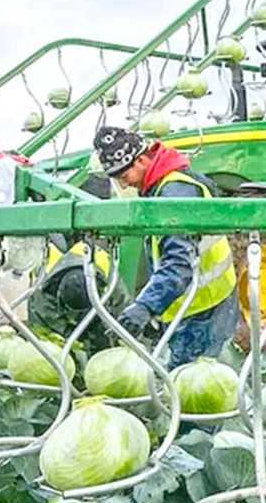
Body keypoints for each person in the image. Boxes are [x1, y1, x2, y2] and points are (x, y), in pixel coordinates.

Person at [92, 127, 240, 369]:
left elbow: (178, 264)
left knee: (194, 388)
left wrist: (145, 306)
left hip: (204, 310)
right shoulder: (162, 188)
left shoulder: (175, 192)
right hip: (193, 305)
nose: (123, 182)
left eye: (123, 174)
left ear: (141, 159)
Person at [28, 236, 129, 354]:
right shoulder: (44, 286)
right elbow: (42, 325)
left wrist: (124, 339)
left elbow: (123, 307)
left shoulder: (106, 271)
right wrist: (68, 340)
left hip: (98, 313)